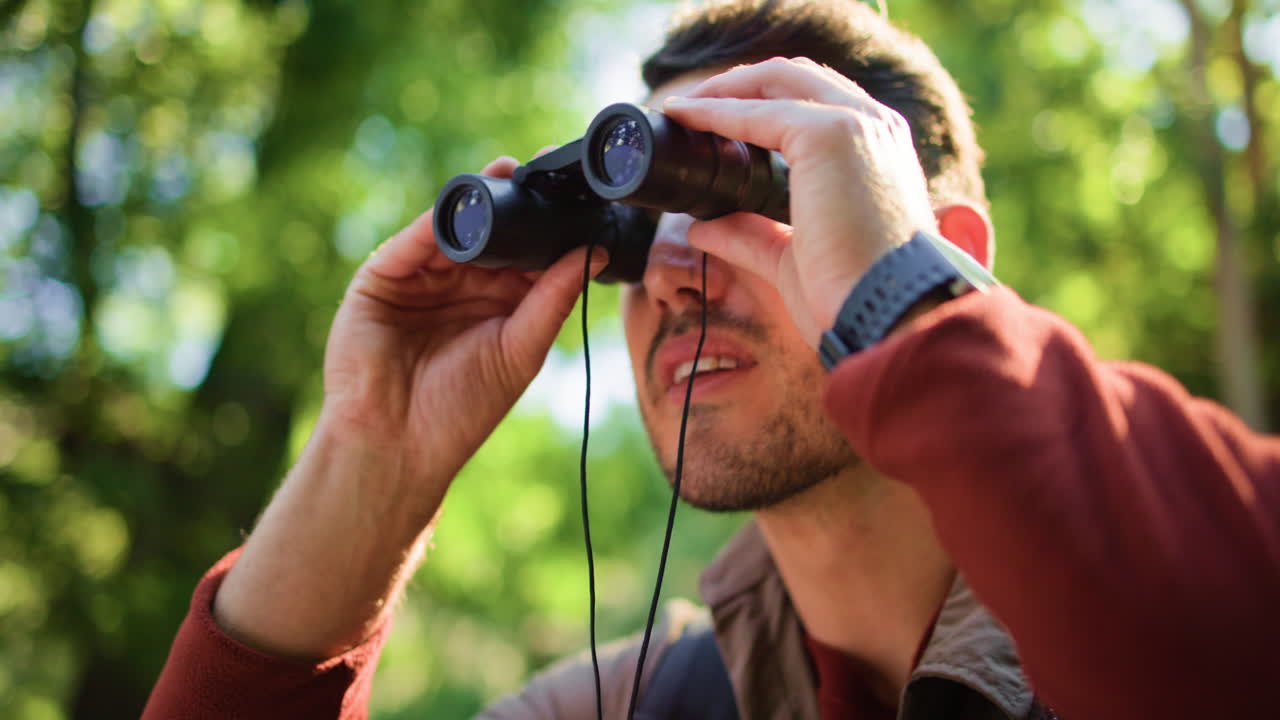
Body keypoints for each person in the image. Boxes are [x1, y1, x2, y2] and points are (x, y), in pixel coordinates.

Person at [143, 1, 1280, 719]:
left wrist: (900, 306)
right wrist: (370, 458)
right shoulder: (622, 705)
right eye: (643, 229)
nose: (676, 275)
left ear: (949, 262)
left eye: (747, 197)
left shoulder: (1151, 614)